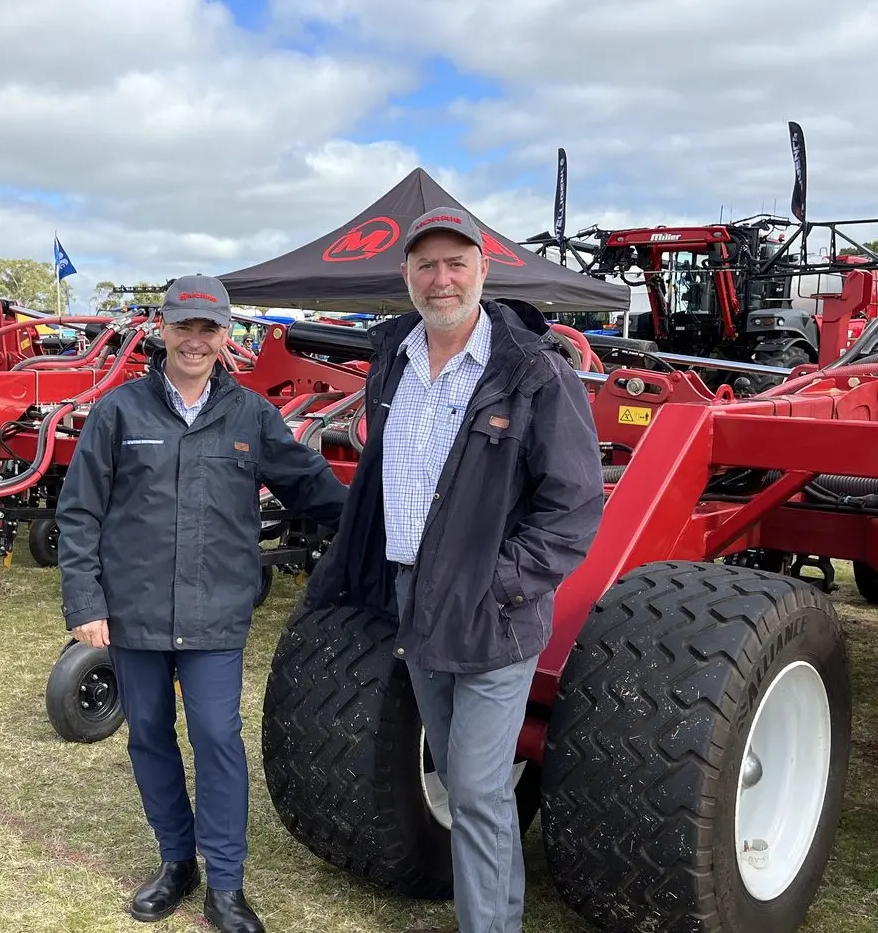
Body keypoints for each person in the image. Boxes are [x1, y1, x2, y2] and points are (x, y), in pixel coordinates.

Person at [300, 207, 605, 933]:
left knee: (475, 788)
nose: (442, 279)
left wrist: (503, 584)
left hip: (493, 610)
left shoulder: (533, 372)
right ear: (406, 274)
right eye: (427, 265)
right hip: (415, 598)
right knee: (460, 772)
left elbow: (574, 504)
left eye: (456, 263)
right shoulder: (393, 361)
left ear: (483, 270)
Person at [55, 274, 347, 933]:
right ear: (164, 328)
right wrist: (84, 600)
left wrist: (382, 523)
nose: (195, 339)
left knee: (217, 737)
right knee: (151, 737)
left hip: (216, 611)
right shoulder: (119, 412)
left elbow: (310, 486)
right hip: (135, 611)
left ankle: (226, 883)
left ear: (226, 336)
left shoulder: (250, 416)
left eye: (208, 328)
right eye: (184, 326)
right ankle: (174, 861)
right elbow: (78, 513)